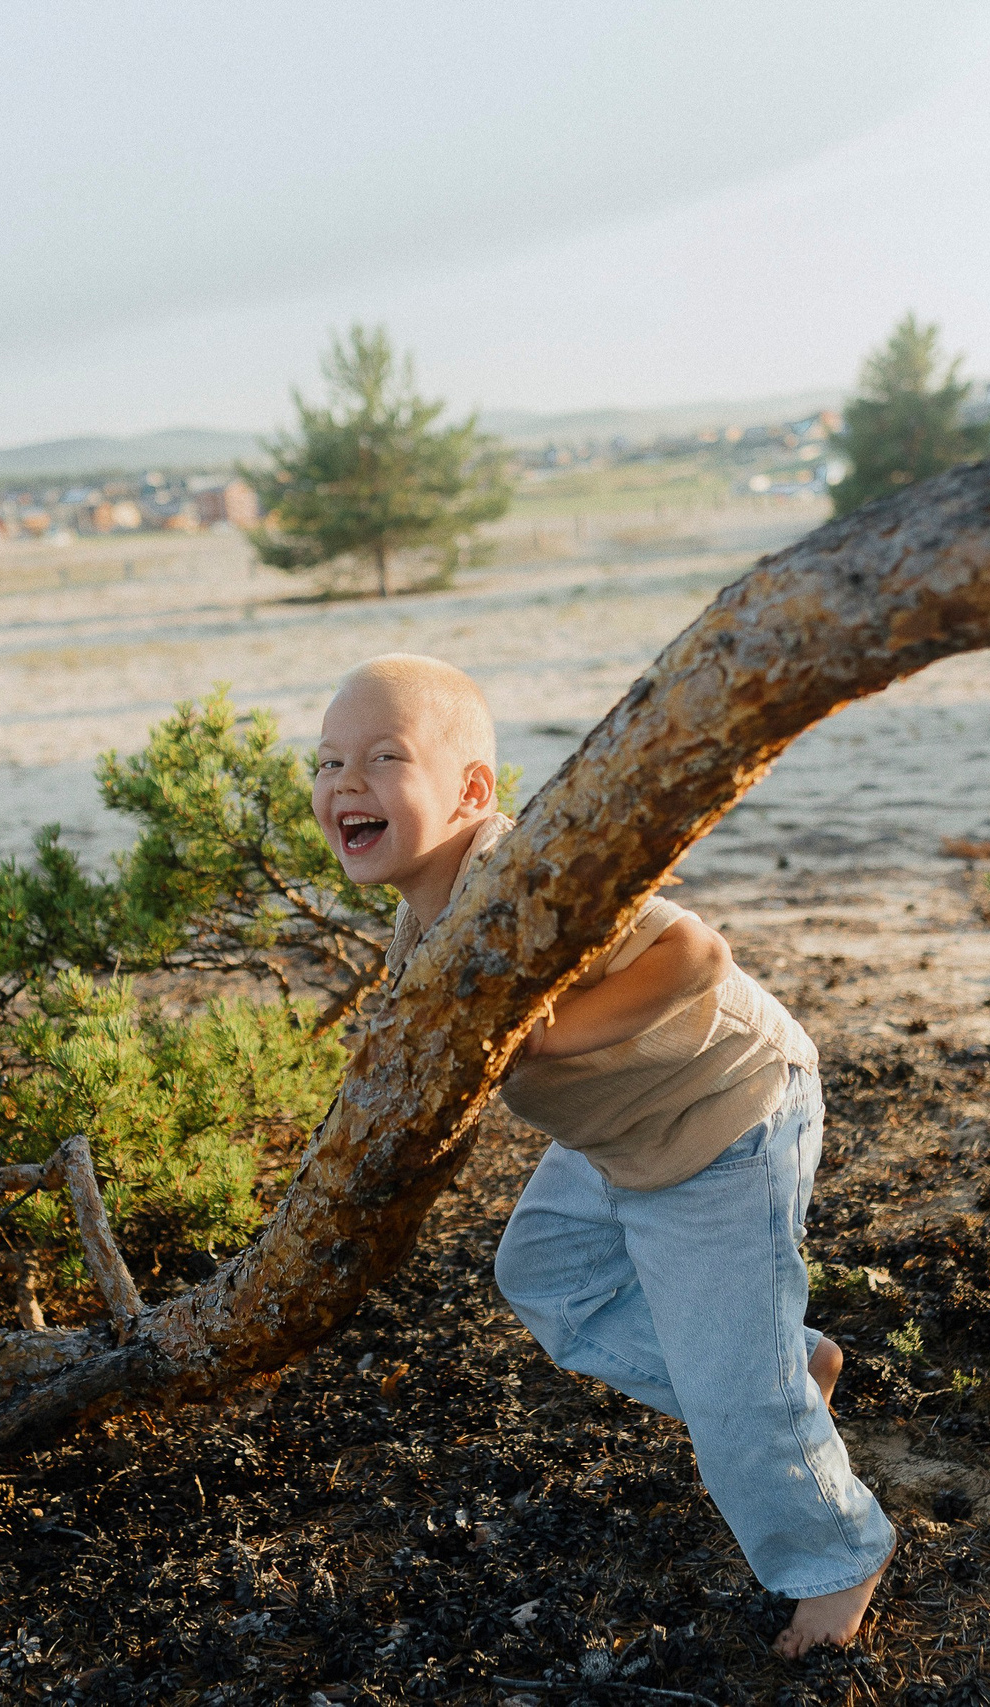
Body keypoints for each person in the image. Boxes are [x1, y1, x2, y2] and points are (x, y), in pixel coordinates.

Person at [310, 652, 893, 1657]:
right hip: (622, 1133)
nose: (342, 784)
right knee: (548, 1275)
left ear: (473, 791)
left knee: (732, 1400)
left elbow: (694, 953)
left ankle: (837, 1554)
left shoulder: (526, 879)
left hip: (722, 1118)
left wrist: (552, 1030)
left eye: (381, 757)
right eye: (324, 764)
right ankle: (782, 1377)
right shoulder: (421, 921)